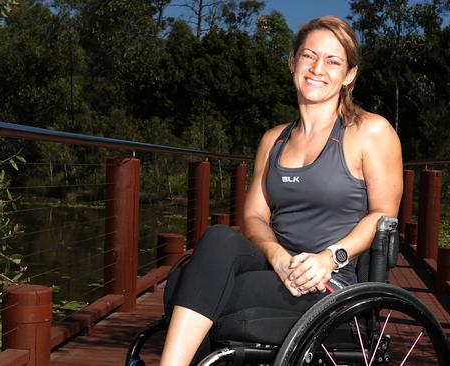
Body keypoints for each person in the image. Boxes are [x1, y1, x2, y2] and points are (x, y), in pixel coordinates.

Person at [160, 15, 403, 365]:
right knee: (217, 238)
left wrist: (329, 257)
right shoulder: (273, 140)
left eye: (333, 61)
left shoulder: (370, 132)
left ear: (349, 75)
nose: (318, 68)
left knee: (184, 284)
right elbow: (254, 215)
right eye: (309, 56)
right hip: (275, 266)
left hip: (327, 282)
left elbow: (383, 215)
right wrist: (277, 256)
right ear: (293, 61)